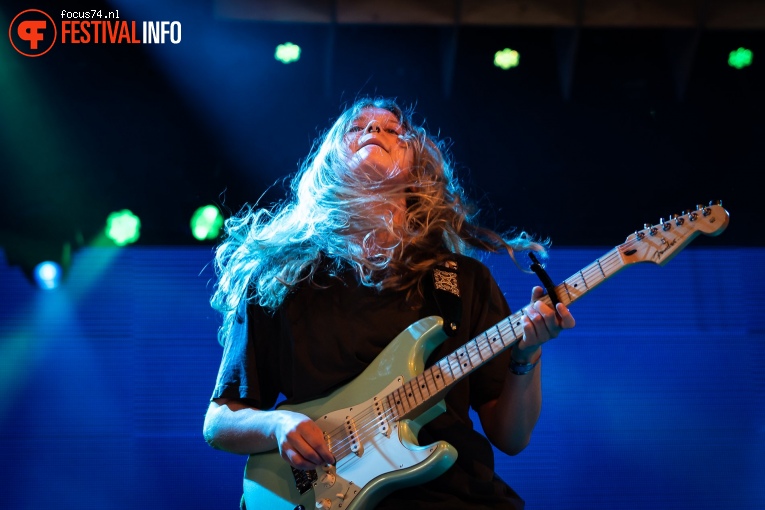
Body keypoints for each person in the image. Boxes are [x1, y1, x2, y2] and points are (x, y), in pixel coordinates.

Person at [203, 97, 575, 509]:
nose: (376, 130)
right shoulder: (279, 277)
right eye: (358, 127)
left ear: (417, 169)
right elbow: (220, 420)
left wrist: (528, 353)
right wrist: (277, 424)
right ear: (330, 163)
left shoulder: (462, 280)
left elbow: (512, 437)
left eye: (394, 130)